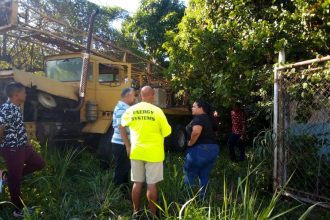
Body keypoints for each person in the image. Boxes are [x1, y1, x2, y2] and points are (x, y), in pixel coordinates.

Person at [120, 86, 171, 218]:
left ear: (140, 95)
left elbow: (121, 125)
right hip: (154, 153)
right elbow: (167, 132)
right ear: (153, 95)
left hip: (136, 151)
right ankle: (152, 214)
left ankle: (135, 212)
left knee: (137, 183)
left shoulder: (131, 110)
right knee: (152, 185)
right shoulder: (157, 111)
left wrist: (127, 145)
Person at [0, 82, 45, 218]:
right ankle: (17, 209)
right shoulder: (6, 108)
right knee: (16, 179)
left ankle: (7, 177)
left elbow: (18, 128)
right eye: (24, 92)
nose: (26, 94)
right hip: (13, 148)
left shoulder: (16, 107)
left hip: (23, 147)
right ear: (16, 94)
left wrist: (27, 143)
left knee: (39, 164)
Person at [184, 100, 219, 199]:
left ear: (201, 108)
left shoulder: (199, 118)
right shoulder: (210, 119)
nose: (192, 108)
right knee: (204, 175)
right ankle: (203, 199)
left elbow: (196, 132)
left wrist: (190, 143)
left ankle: (187, 199)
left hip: (200, 150)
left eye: (194, 106)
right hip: (213, 149)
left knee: (189, 173)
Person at [111, 88, 135, 188]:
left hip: (121, 143)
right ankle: (117, 192)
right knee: (121, 169)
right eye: (134, 95)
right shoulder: (122, 108)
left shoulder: (123, 107)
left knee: (124, 168)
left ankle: (123, 191)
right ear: (127, 96)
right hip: (121, 144)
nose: (134, 98)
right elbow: (121, 127)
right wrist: (127, 145)